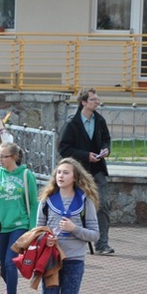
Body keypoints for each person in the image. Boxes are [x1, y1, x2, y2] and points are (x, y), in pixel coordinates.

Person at [37, 158, 100, 294]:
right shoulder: (47, 201)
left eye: (65, 173)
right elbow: (37, 232)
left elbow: (94, 234)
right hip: (51, 261)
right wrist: (46, 240)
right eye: (58, 172)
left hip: (74, 261)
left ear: (75, 177)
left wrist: (74, 229)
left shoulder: (85, 202)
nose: (61, 176)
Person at [58, 88, 113, 255]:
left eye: (97, 99)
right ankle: (70, 240)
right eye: (93, 99)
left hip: (97, 169)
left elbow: (106, 140)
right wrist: (85, 156)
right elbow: (63, 148)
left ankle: (102, 244)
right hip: (78, 171)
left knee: (103, 204)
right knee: (75, 206)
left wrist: (105, 150)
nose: (97, 102)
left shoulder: (99, 120)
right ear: (83, 102)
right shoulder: (72, 123)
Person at [0, 142, 38, 294]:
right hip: (0, 226)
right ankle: (11, 287)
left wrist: (31, 229)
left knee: (10, 261)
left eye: (4, 156)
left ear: (14, 157)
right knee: (0, 264)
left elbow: (33, 202)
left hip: (19, 225)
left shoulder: (26, 174)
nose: (0, 159)